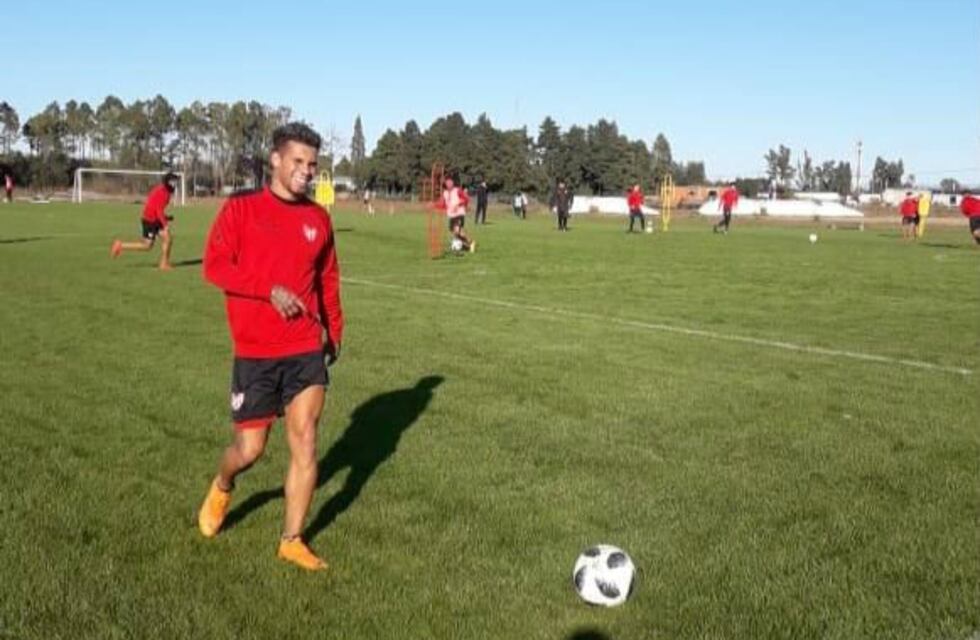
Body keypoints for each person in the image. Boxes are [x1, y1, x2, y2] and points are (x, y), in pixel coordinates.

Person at [197, 122, 344, 572]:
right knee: (250, 450)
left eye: (313, 164)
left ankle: (291, 540)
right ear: (276, 160)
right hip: (256, 351)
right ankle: (223, 485)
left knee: (306, 440)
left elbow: (328, 278)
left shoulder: (318, 219)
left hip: (304, 346)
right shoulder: (241, 209)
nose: (306, 171)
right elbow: (214, 266)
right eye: (298, 161)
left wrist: (334, 330)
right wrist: (268, 290)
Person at [110, 172, 177, 270]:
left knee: (167, 239)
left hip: (155, 219)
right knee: (147, 246)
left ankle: (163, 264)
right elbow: (158, 210)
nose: (175, 184)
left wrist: (165, 217)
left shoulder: (164, 191)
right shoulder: (163, 193)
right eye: (173, 182)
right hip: (150, 221)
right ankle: (120, 245)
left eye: (175, 182)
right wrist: (165, 225)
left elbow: (155, 207)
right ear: (168, 182)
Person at [437, 176, 475, 252]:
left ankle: (468, 243)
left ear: (453, 183)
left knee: (457, 231)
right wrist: (433, 205)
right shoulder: (445, 193)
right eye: (447, 182)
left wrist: (458, 205)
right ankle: (467, 244)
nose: (449, 184)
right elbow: (442, 204)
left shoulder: (457, 190)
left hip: (459, 214)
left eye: (450, 182)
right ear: (445, 184)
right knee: (457, 232)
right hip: (451, 215)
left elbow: (466, 199)